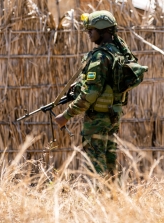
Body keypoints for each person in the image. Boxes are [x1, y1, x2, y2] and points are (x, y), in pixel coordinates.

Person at [55, 10, 132, 176]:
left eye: (91, 30)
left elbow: (90, 95)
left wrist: (65, 116)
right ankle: (113, 197)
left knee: (95, 164)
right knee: (110, 161)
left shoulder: (100, 57)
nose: (88, 33)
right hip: (112, 116)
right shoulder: (117, 52)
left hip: (97, 119)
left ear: (103, 31)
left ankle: (97, 198)